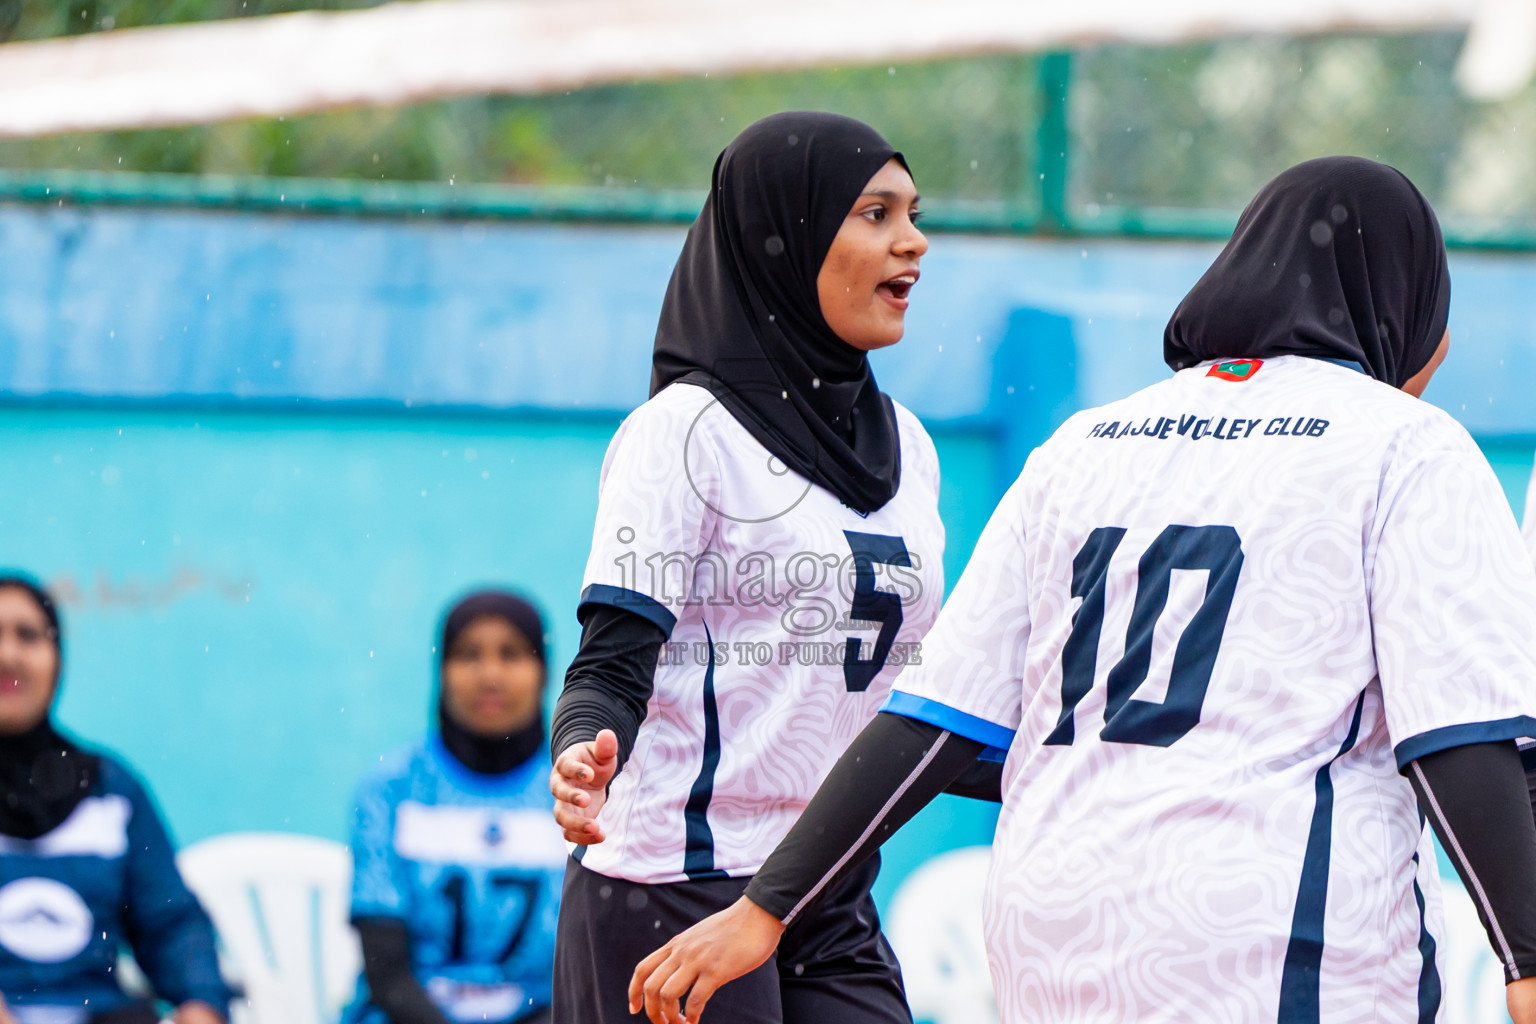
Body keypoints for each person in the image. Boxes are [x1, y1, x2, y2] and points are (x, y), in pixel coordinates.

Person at [630, 156, 1536, 1024]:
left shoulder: (1088, 442)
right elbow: (1456, 742)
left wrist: (767, 906)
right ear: (1407, 301)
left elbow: (930, 722)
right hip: (1270, 933)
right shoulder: (1406, 445)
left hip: (1051, 930)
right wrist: (1525, 956)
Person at [548, 111, 997, 1024]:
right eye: (875, 213)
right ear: (782, 241)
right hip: (672, 883)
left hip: (820, 884)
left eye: (914, 213)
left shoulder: (910, 445)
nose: (914, 241)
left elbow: (912, 696)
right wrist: (582, 749)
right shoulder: (683, 433)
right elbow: (609, 664)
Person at [0, 574, 231, 1024]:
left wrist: (202, 1003)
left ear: (58, 659)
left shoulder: (111, 790)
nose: (8, 656)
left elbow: (171, 923)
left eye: (28, 636)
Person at [343, 591, 565, 1024]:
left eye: (512, 654)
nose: (490, 675)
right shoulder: (390, 789)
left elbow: (593, 966)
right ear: (441, 670)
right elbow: (388, 976)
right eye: (468, 655)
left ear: (544, 672)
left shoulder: (577, 789)